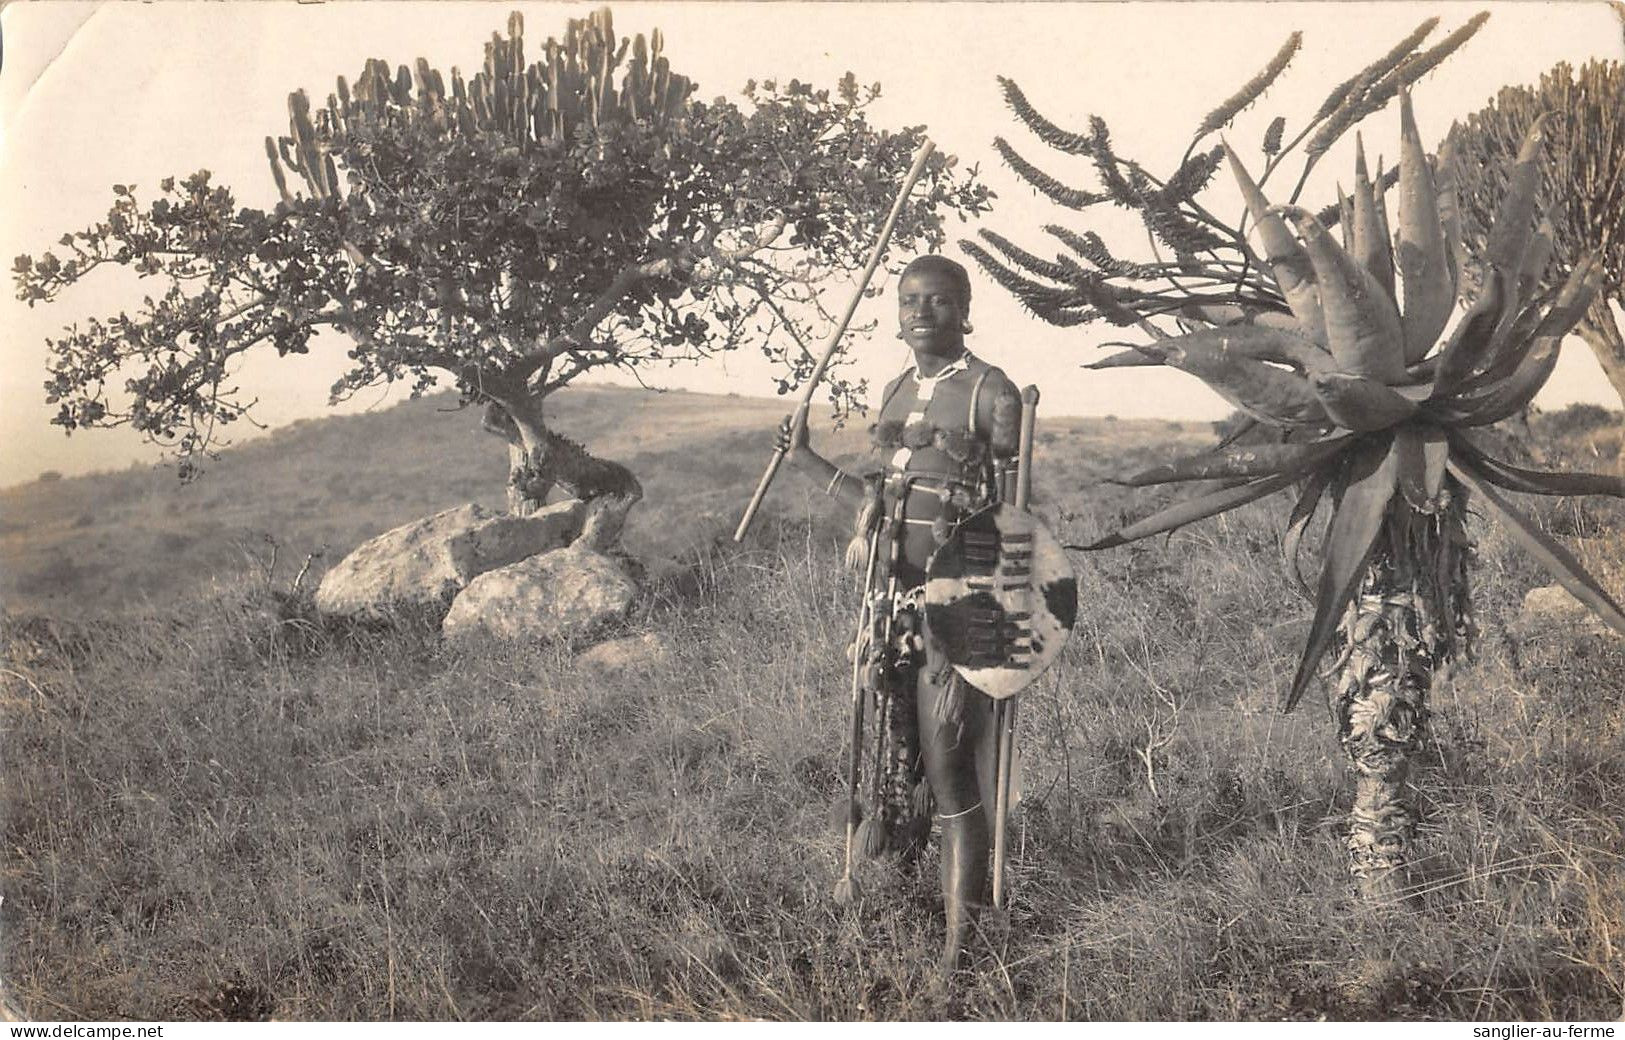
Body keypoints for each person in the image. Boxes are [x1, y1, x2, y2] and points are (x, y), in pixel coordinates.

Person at [774, 254, 1023, 973]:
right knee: (889, 767)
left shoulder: (990, 391)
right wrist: (802, 459)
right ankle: (878, 918)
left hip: (958, 609)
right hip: (889, 610)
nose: (923, 313)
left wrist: (976, 603)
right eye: (911, 300)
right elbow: (876, 505)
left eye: (940, 302)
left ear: (964, 308)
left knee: (949, 771)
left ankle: (957, 958)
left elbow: (1012, 520)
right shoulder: (894, 389)